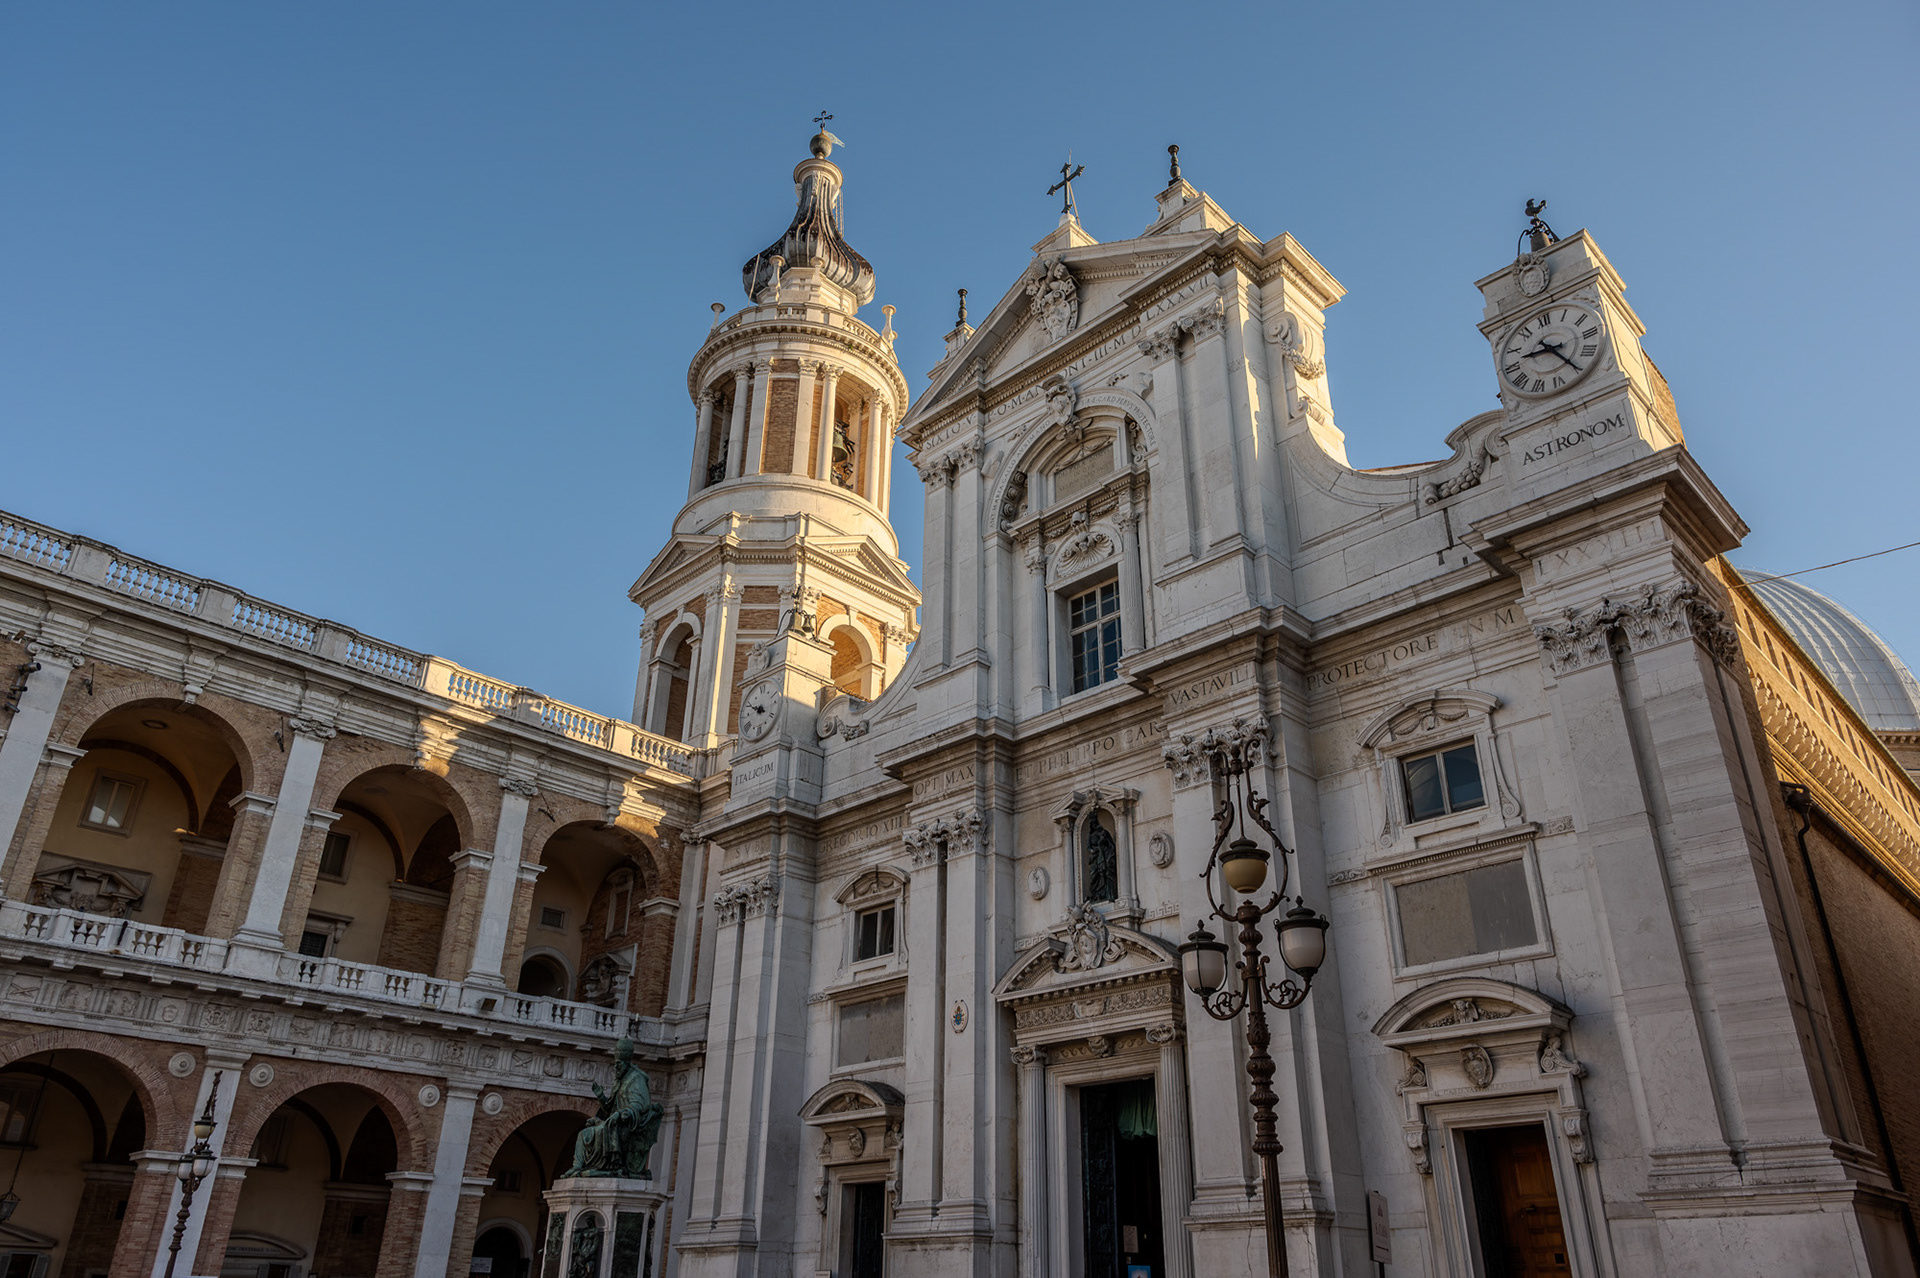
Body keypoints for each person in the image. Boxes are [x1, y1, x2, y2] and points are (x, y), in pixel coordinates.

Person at [564, 1037, 663, 1178]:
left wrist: (624, 1113)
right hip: (613, 1123)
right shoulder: (620, 1080)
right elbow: (610, 1108)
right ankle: (577, 1167)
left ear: (626, 1063)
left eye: (618, 1064)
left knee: (601, 1130)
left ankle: (611, 1166)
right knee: (584, 1134)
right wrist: (601, 1097)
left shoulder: (637, 1078)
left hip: (627, 1126)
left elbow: (640, 1104)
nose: (616, 1067)